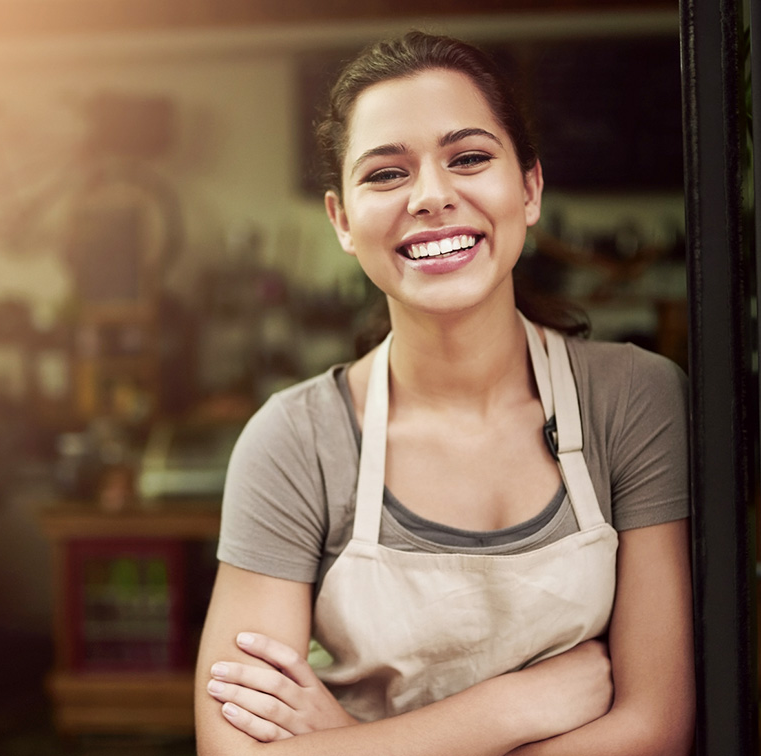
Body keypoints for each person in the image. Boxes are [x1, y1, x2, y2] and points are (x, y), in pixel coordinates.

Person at [194, 30, 694, 755]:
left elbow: (656, 730)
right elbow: (229, 751)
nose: (432, 197)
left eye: (468, 159)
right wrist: (513, 707)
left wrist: (350, 743)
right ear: (340, 220)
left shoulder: (635, 402)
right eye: (386, 174)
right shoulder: (296, 442)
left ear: (528, 190)